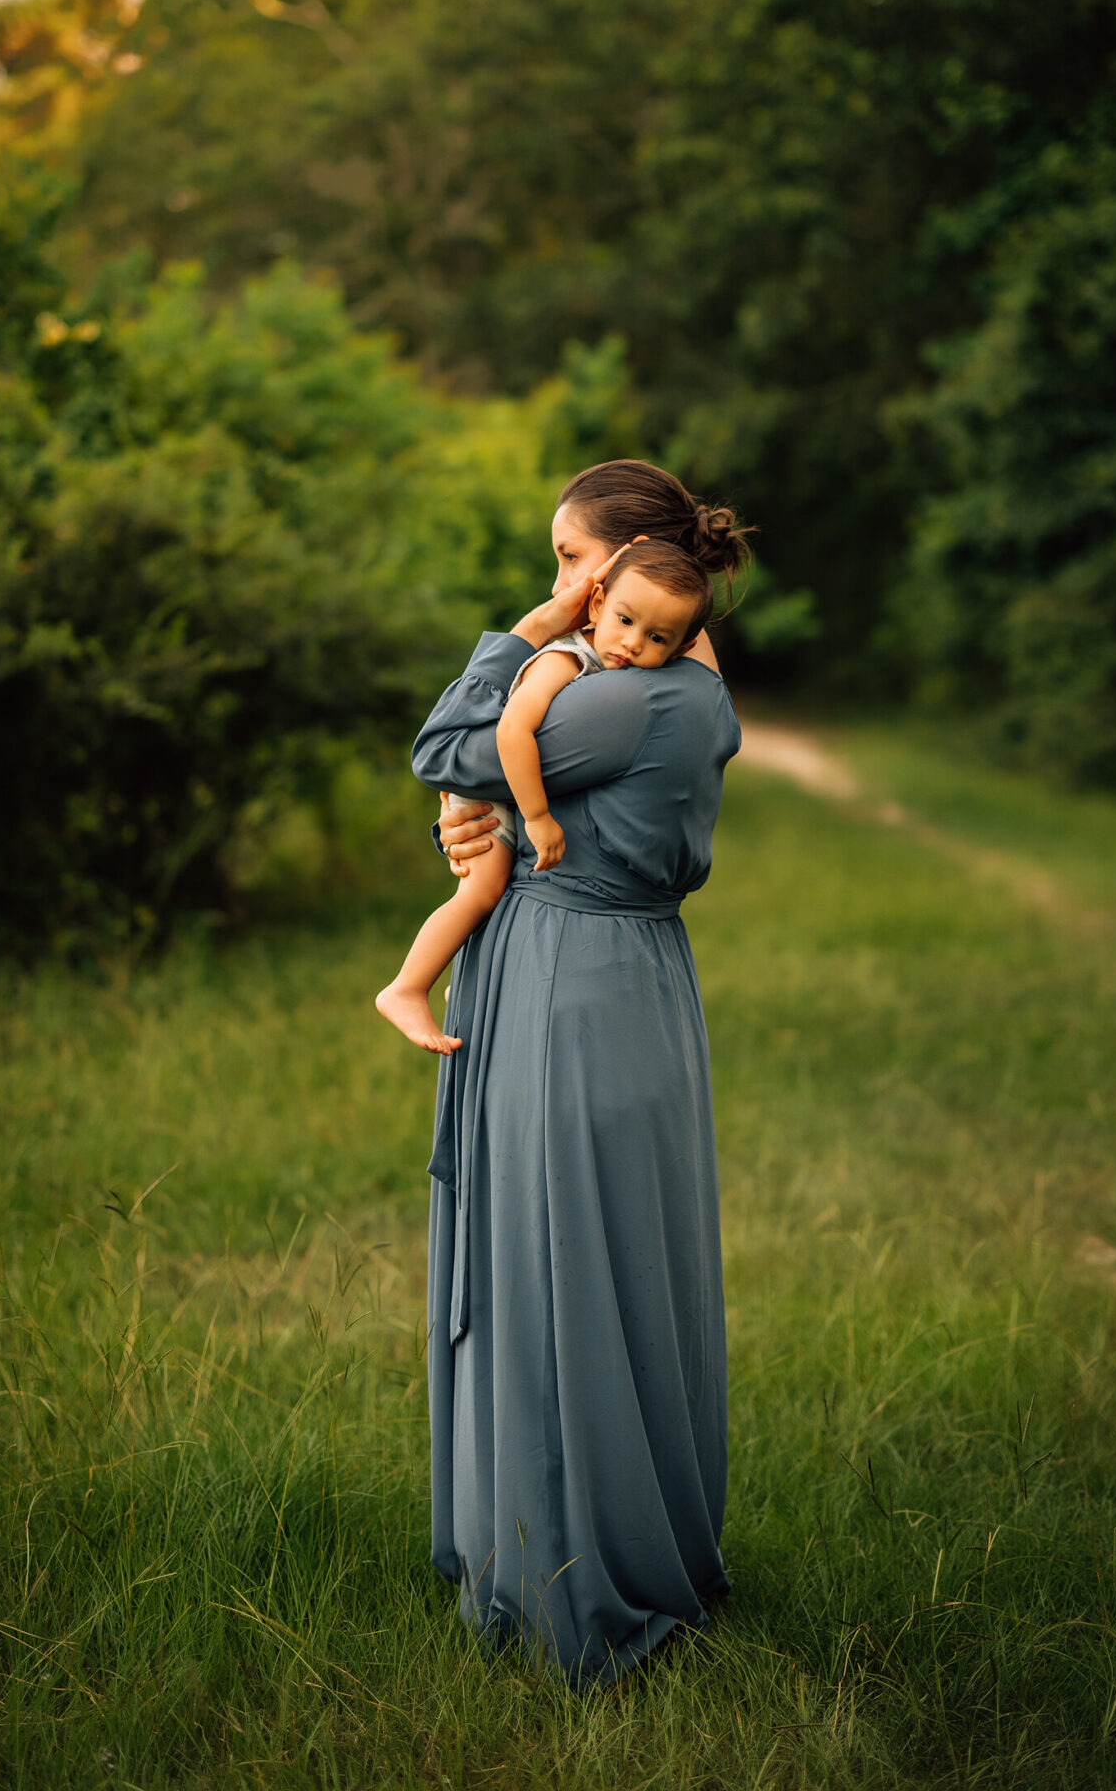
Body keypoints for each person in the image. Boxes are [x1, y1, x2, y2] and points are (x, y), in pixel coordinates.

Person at [411, 459, 750, 1685]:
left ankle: (575, 1570)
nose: (556, 583)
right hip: (609, 966)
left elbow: (443, 742)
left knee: (566, 1262)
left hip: (573, 983)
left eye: (570, 561)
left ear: (621, 571)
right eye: (555, 566)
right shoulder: (674, 683)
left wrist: (526, 634)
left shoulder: (633, 696)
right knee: (594, 1256)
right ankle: (549, 1534)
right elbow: (486, 781)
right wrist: (488, 818)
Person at [375, 541, 714, 1055]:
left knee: (488, 895)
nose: (632, 643)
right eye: (624, 620)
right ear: (597, 605)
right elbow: (513, 729)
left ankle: (457, 979)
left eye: (656, 637)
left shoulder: (623, 672)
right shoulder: (568, 657)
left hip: (516, 786)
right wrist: (536, 816)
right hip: (498, 788)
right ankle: (406, 987)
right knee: (481, 894)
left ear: (681, 647)